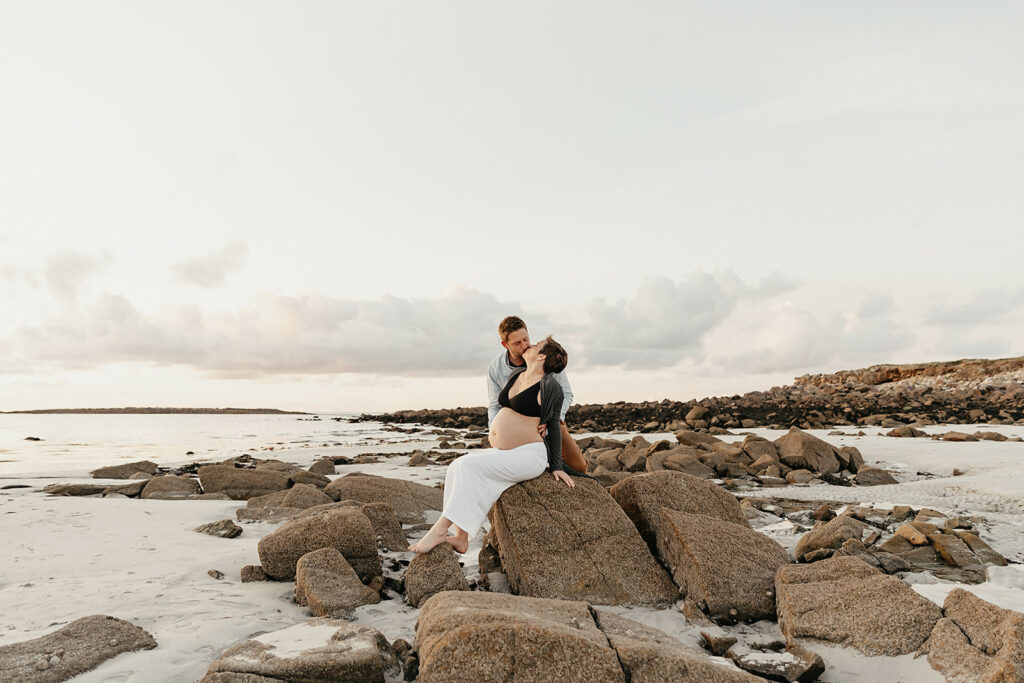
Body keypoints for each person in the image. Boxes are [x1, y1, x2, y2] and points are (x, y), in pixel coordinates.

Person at [409, 336, 587, 554]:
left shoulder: (550, 387)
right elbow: (498, 406)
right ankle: (460, 537)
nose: (528, 345)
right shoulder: (517, 375)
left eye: (535, 345)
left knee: (468, 468)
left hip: (530, 455)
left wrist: (558, 466)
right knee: (457, 465)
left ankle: (439, 529)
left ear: (541, 356)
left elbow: (555, 426)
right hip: (509, 451)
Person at [486, 316, 587, 472]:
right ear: (505, 345)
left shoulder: (544, 356)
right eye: (517, 343)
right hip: (516, 428)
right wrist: (493, 430)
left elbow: (566, 393)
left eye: (526, 339)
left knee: (579, 467)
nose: (525, 345)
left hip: (546, 421)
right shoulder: (496, 368)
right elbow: (494, 405)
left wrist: (550, 419)